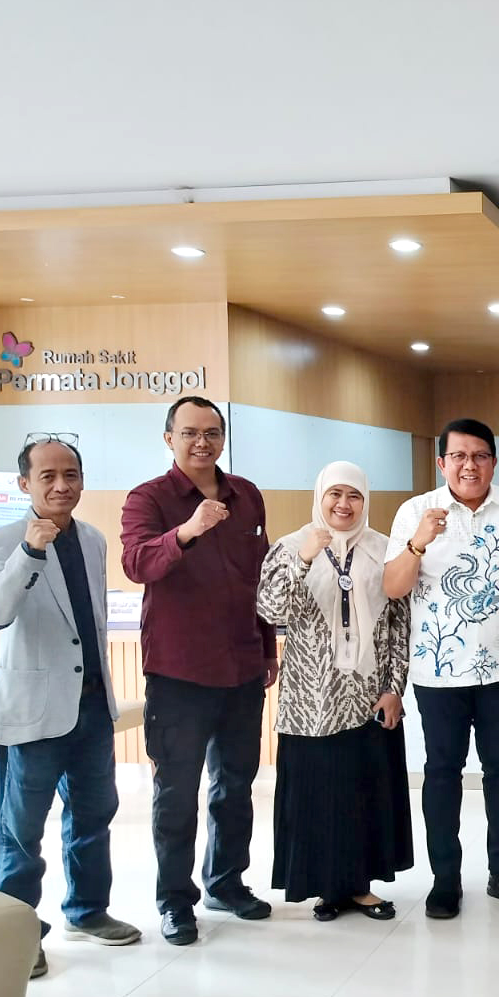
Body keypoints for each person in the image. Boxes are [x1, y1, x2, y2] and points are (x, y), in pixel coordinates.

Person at [0, 435, 140, 978]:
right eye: (47, 476)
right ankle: (17, 933)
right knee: (22, 829)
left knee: (95, 815)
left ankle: (88, 911)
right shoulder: (0, 540)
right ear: (24, 483)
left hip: (92, 709)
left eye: (70, 474)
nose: (61, 485)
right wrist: (30, 551)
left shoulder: (92, 539)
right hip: (33, 712)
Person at [121, 396, 278, 947]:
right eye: (190, 433)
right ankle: (174, 902)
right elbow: (138, 563)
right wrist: (187, 530)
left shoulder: (246, 495)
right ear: (170, 438)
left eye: (212, 432)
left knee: (236, 785)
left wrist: (267, 646)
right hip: (180, 671)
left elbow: (256, 581)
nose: (202, 442)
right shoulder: (149, 498)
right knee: (176, 791)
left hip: (241, 665)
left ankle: (227, 882)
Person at [383, 418, 499, 919]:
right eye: (458, 456)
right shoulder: (415, 512)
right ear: (442, 463)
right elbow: (394, 588)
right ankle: (445, 880)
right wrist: (418, 542)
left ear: (494, 462)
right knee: (442, 773)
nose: (469, 465)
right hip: (437, 673)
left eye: (479, 455)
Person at [257, 462, 414, 922]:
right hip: (311, 699)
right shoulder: (289, 547)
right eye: (334, 495)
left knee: (364, 792)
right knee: (318, 793)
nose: (343, 505)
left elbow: (398, 626)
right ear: (320, 497)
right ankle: (328, 887)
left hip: (367, 696)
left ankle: (361, 887)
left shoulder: (385, 550)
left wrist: (394, 687)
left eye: (354, 496)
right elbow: (270, 610)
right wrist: (304, 558)